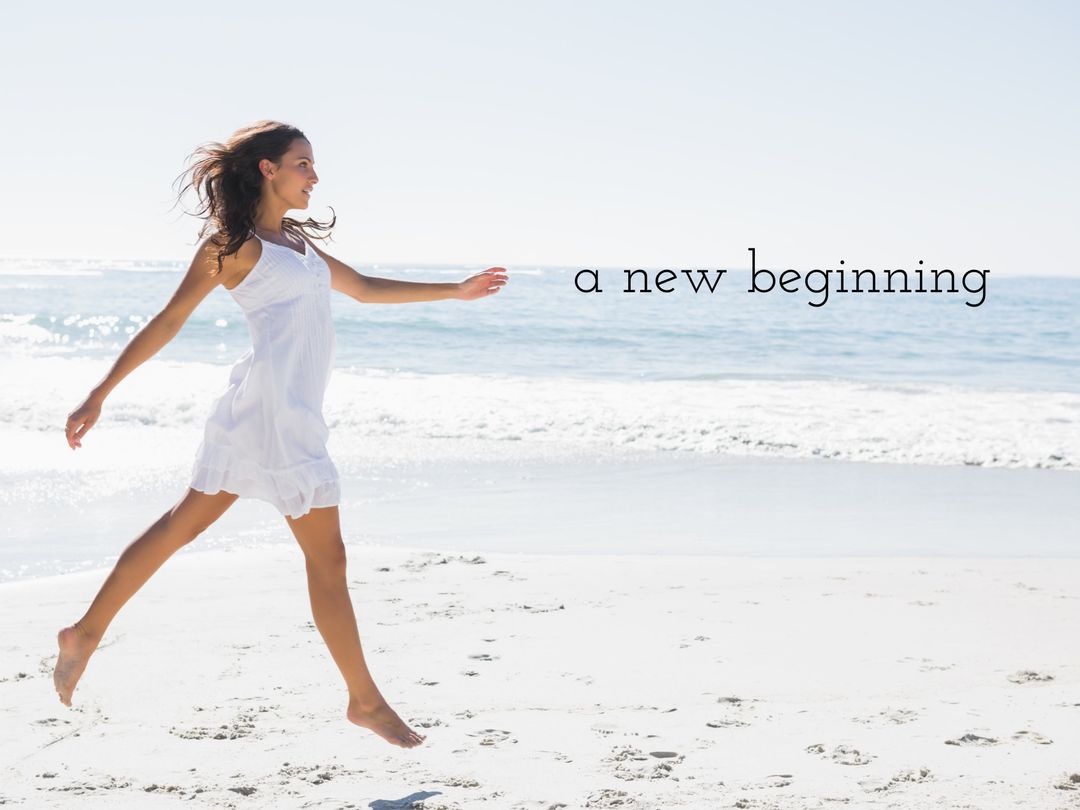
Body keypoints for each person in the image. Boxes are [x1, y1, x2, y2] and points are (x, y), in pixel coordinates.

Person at [53, 120, 509, 749]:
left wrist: (455, 292)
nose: (314, 177)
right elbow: (170, 320)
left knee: (183, 527)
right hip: (275, 415)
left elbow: (365, 289)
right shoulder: (231, 246)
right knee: (328, 559)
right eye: (303, 164)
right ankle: (366, 701)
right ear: (268, 169)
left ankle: (85, 633)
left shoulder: (295, 244)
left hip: (279, 410)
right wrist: (100, 393)